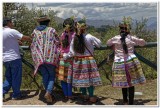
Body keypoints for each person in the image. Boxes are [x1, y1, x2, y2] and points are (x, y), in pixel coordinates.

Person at [107, 17, 146, 105]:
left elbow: (108, 43)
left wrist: (114, 46)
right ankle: (131, 102)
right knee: (131, 83)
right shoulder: (132, 38)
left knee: (123, 83)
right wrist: (135, 39)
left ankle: (125, 101)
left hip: (119, 62)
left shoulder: (115, 38)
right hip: (131, 62)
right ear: (128, 30)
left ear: (120, 30)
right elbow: (143, 43)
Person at [64, 19, 102, 103]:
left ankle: (84, 95)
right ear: (85, 28)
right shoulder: (89, 37)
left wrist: (65, 57)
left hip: (78, 61)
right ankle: (91, 96)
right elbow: (99, 43)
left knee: (82, 78)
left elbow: (71, 52)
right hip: (89, 61)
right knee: (90, 79)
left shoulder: (74, 39)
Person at [30, 15, 60, 103]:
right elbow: (58, 41)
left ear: (39, 22)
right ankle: (48, 92)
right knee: (51, 76)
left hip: (39, 58)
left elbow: (32, 42)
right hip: (50, 57)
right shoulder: (52, 30)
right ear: (48, 22)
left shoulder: (34, 31)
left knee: (45, 75)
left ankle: (48, 93)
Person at [3, 18, 32, 100]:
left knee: (8, 77)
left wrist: (16, 41)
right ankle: (16, 95)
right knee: (16, 77)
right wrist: (32, 38)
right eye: (11, 22)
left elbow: (8, 41)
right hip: (14, 58)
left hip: (5, 59)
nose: (12, 24)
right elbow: (24, 37)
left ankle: (2, 92)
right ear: (8, 23)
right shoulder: (12, 31)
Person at [56, 18, 76, 100]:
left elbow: (59, 46)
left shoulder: (62, 35)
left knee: (62, 77)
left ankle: (65, 95)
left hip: (61, 58)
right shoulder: (74, 35)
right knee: (69, 78)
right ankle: (70, 94)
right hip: (70, 59)